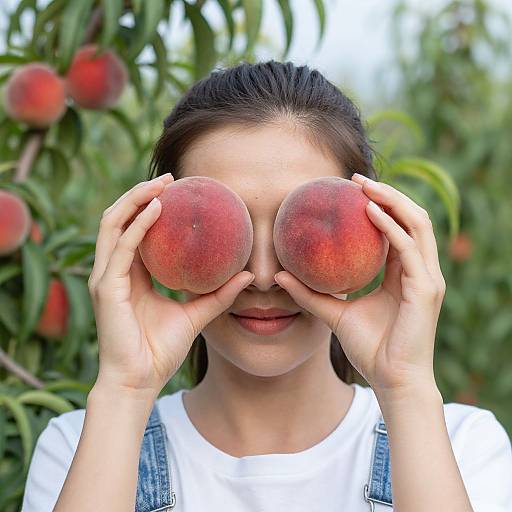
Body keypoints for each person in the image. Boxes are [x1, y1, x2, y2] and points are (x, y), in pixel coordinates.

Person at [21, 61, 512, 512]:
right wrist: (124, 390)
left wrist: (405, 388)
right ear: (149, 228)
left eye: (295, 228)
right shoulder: (79, 450)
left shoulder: (462, 447)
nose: (259, 275)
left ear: (378, 228)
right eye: (223, 227)